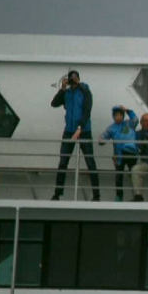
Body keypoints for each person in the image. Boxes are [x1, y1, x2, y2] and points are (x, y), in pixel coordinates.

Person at [50, 70, 101, 201]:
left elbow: (87, 109)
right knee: (63, 162)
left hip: (84, 131)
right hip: (69, 130)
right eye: (70, 78)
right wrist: (62, 88)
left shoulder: (85, 91)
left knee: (90, 162)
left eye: (74, 78)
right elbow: (54, 103)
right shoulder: (66, 93)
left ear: (78, 78)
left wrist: (80, 127)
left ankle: (96, 195)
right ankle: (57, 193)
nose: (72, 81)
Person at [99, 105, 139, 201]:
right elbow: (103, 137)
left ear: (123, 116)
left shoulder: (129, 124)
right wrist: (101, 140)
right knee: (119, 176)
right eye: (116, 115)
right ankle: (119, 196)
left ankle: (137, 195)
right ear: (113, 116)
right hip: (119, 155)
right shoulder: (111, 128)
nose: (118, 117)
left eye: (120, 115)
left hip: (131, 153)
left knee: (133, 174)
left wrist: (128, 110)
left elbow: (136, 119)